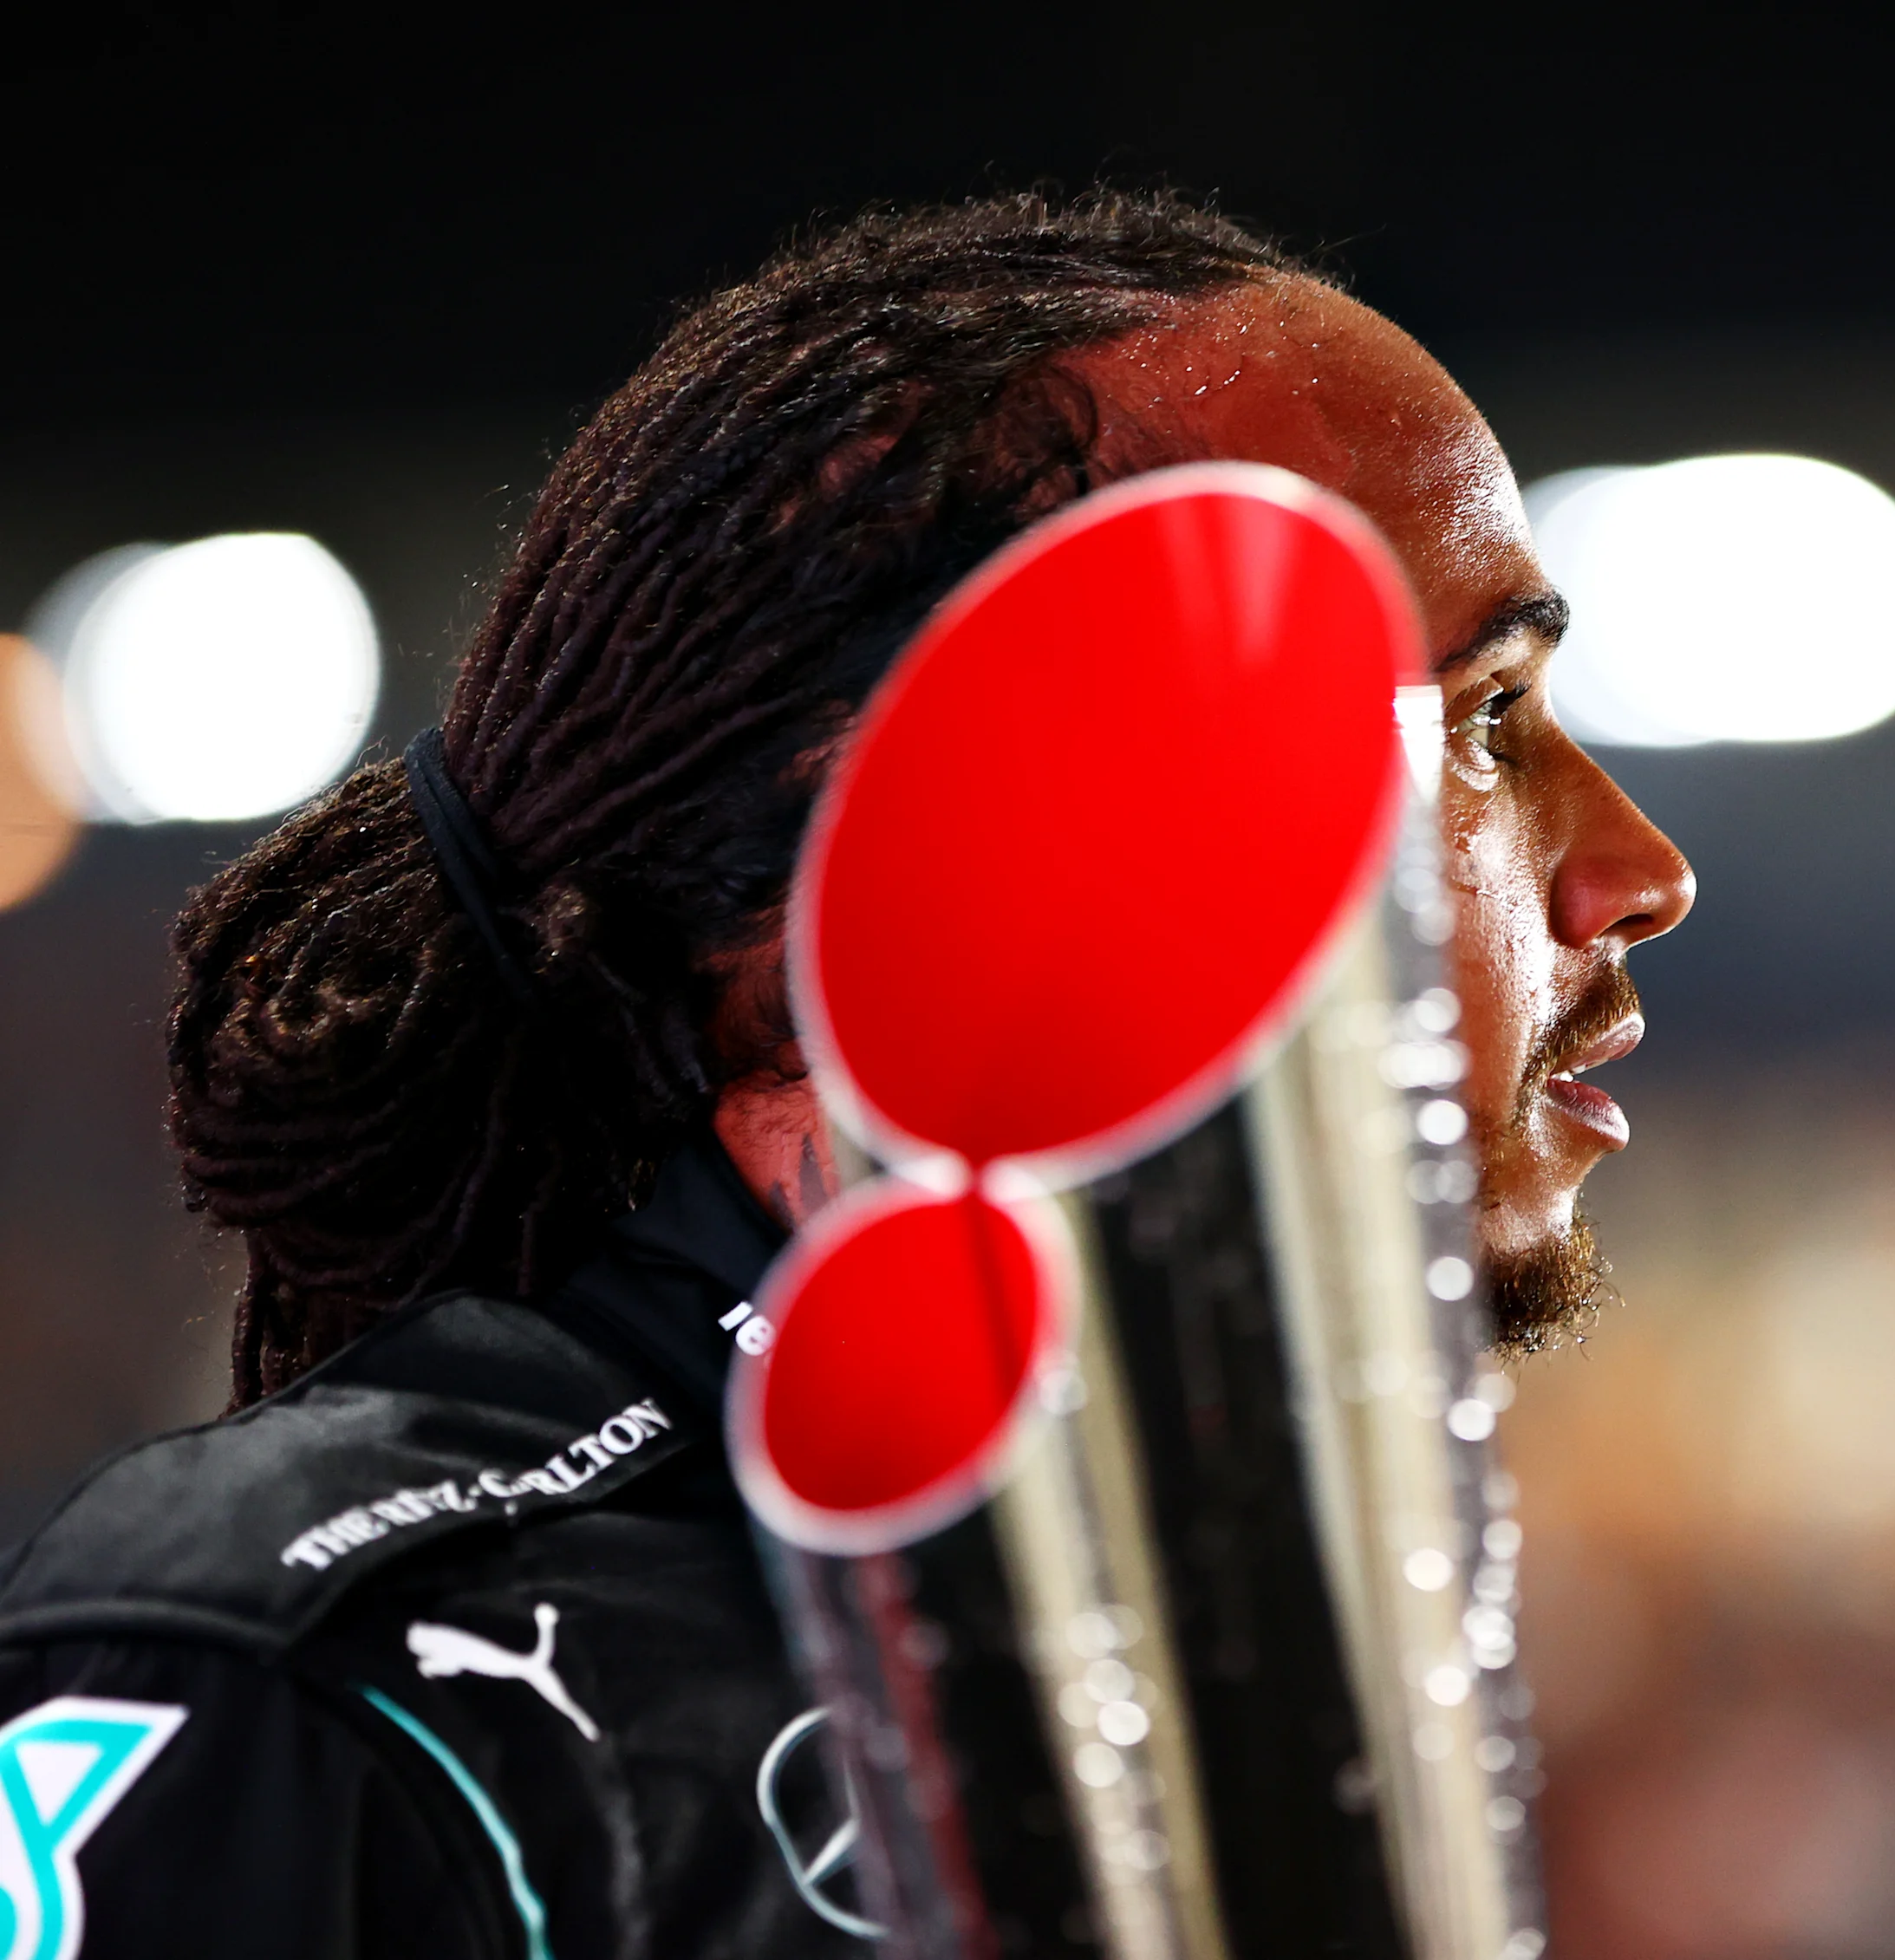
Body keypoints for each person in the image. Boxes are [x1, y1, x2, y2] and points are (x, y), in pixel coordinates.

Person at [0, 194, 1690, 1956]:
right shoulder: (304, 1673)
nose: (1641, 867)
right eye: (1483, 717)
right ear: (930, 834)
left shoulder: (1204, 1604)